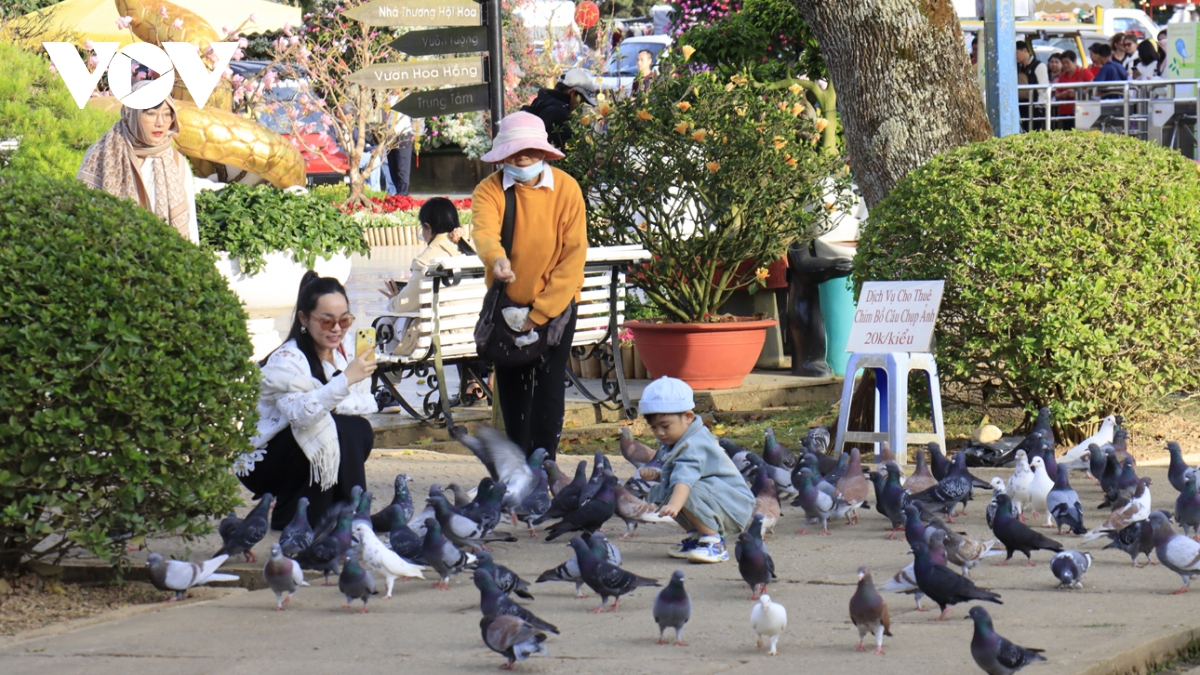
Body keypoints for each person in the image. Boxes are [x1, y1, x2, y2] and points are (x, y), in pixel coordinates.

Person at [472, 112, 587, 460]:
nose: (521, 158)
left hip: (557, 308)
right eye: (514, 152)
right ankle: (519, 468)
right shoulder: (489, 190)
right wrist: (497, 260)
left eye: (528, 151)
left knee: (550, 389)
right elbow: (484, 233)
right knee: (512, 391)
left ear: (543, 151)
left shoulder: (567, 189)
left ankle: (545, 463)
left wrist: (538, 315)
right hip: (508, 308)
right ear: (503, 154)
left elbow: (573, 256)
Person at [235, 272, 378, 530]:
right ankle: (308, 515)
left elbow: (367, 403)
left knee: (357, 429)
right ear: (304, 319)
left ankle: (341, 511)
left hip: (301, 445)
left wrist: (342, 388)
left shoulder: (344, 352)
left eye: (344, 320)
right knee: (334, 426)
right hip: (265, 460)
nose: (337, 329)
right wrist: (344, 382)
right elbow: (300, 415)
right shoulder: (287, 359)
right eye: (327, 322)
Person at [642, 377, 755, 564]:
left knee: (683, 491)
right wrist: (659, 475)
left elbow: (686, 477)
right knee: (671, 489)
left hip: (732, 505)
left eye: (665, 426)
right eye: (654, 428)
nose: (659, 433)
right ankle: (698, 536)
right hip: (716, 498)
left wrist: (675, 505)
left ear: (688, 417)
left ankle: (713, 542)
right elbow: (682, 472)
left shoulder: (693, 443)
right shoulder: (677, 439)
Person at [77, 82, 198, 243]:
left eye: (167, 114)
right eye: (151, 113)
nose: (160, 123)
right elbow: (81, 214)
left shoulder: (176, 162)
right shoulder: (100, 154)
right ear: (132, 113)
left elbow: (190, 230)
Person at [379, 197, 473, 314]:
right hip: (475, 329)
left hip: (440, 330)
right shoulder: (472, 253)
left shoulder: (425, 262)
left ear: (428, 228)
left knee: (385, 320)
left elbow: (402, 306)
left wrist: (394, 299)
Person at [521, 68, 599, 152]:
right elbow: (566, 155)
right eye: (581, 100)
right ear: (572, 92)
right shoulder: (559, 114)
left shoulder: (541, 102)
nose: (579, 105)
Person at [1053, 50, 1093, 129]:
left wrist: (1078, 93)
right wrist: (1063, 95)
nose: (1065, 65)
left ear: (1074, 61)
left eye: (1067, 63)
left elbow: (1094, 89)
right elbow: (1056, 95)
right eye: (1063, 63)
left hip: (1082, 112)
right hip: (1065, 113)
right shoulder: (1062, 76)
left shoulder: (1084, 72)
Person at [385, 91, 414, 196]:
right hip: (389, 136)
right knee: (393, 169)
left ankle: (403, 195)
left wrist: (416, 132)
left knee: (403, 170)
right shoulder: (385, 97)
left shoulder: (407, 96)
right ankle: (398, 194)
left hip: (403, 135)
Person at [1016, 41, 1049, 131]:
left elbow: (1043, 88)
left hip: (1036, 107)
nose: (1015, 56)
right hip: (1022, 106)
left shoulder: (1039, 66)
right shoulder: (1017, 67)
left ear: (1025, 50)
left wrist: (1040, 106)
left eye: (1017, 53)